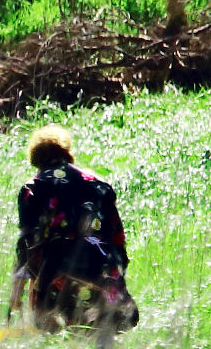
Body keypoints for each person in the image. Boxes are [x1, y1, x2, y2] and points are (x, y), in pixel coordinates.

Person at [9, 125, 138, 335]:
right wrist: (116, 279)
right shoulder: (98, 185)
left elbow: (27, 243)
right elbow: (117, 241)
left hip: (56, 279)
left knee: (55, 340)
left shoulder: (34, 187)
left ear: (36, 158)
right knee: (101, 339)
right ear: (67, 154)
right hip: (102, 276)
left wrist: (17, 292)